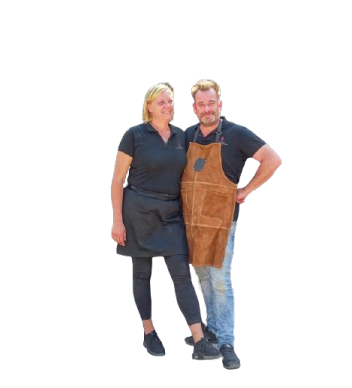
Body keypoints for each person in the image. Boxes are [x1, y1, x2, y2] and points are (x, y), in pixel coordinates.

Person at [110, 82, 222, 361]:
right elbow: (117, 180)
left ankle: (199, 340)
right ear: (149, 106)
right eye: (161, 102)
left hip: (171, 213)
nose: (168, 106)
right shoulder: (134, 135)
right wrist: (117, 221)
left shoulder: (181, 135)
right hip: (138, 212)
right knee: (142, 274)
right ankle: (149, 332)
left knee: (182, 275)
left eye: (170, 101)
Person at [181, 79, 282, 370]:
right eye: (201, 104)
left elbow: (272, 159)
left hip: (221, 222)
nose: (207, 109)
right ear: (194, 108)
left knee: (220, 281)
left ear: (220, 104)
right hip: (192, 222)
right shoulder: (186, 135)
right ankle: (211, 330)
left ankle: (227, 342)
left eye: (211, 103)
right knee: (202, 277)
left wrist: (246, 190)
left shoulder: (237, 134)